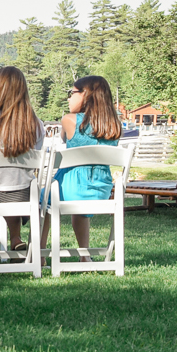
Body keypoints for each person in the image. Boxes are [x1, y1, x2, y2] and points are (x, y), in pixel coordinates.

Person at [0, 66, 45, 251]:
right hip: (22, 195)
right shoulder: (35, 124)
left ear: (0, 91)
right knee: (15, 180)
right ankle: (15, 237)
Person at [55, 75, 123, 252]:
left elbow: (63, 138)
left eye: (73, 93)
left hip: (72, 189)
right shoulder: (114, 124)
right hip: (101, 189)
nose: (69, 98)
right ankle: (84, 254)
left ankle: (41, 256)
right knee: (79, 204)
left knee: (43, 199)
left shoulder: (70, 120)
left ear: (85, 95)